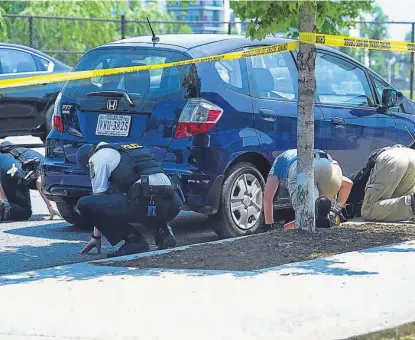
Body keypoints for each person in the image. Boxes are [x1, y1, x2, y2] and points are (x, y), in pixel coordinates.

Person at [75, 141, 184, 257]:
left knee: (84, 204)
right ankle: (163, 233)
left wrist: (96, 236)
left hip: (145, 203)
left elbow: (98, 199)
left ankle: (134, 241)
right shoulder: (129, 149)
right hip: (173, 203)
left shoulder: (96, 157)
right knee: (137, 196)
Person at [263, 149, 353, 230]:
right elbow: (348, 184)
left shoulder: (279, 160)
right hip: (330, 166)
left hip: (301, 167)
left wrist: (269, 226)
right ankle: (332, 214)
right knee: (319, 213)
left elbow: (267, 196)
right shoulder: (304, 147)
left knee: (305, 219)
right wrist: (337, 208)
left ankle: (289, 229)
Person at [349, 144, 415, 222]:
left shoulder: (350, 184)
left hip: (392, 158)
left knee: (368, 210)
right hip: (411, 155)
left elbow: (348, 183)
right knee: (401, 208)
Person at [0, 141, 61, 221]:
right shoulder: (48, 167)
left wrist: (5, 200)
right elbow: (40, 181)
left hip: (7, 169)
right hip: (15, 171)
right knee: (24, 212)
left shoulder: (11, 152)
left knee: (8, 205)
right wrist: (50, 206)